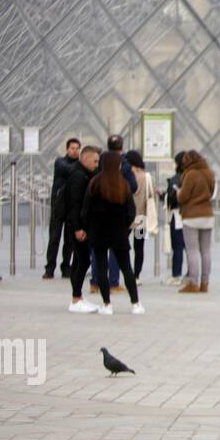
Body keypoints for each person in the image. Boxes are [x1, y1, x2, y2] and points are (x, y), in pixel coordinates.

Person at [81, 151, 141, 315]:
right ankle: (135, 303)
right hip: (118, 233)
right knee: (126, 267)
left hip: (98, 232)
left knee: (101, 268)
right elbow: (131, 211)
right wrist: (125, 227)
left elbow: (85, 210)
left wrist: (87, 228)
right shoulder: (123, 185)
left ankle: (107, 304)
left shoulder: (94, 183)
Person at [90, 134, 137, 293]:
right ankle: (114, 282)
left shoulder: (98, 162)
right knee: (117, 250)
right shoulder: (124, 165)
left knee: (98, 250)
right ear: (122, 147)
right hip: (118, 214)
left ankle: (95, 282)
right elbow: (134, 187)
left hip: (99, 215)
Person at [66, 145, 100, 313]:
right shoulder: (78, 176)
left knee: (80, 261)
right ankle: (75, 298)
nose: (97, 164)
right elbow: (75, 204)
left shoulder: (85, 173)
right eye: (95, 161)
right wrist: (78, 228)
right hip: (78, 227)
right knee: (83, 260)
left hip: (81, 225)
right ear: (85, 159)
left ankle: (77, 297)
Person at [176, 149, 215, 293]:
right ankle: (205, 283)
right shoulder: (209, 172)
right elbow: (211, 192)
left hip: (191, 216)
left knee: (192, 250)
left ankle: (193, 283)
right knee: (206, 250)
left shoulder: (190, 174)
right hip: (207, 214)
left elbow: (183, 197)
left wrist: (178, 192)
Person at [44, 138, 80, 279]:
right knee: (54, 239)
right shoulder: (60, 162)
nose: (75, 151)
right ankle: (49, 268)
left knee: (70, 240)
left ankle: (66, 267)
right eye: (72, 148)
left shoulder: (78, 165)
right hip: (58, 207)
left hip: (72, 207)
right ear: (67, 149)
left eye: (77, 148)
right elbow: (69, 170)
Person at [125, 150, 158, 282]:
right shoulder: (147, 177)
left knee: (122, 244)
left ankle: (124, 270)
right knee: (139, 247)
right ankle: (136, 275)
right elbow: (151, 195)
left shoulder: (126, 174)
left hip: (127, 217)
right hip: (141, 218)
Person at [164, 152, 187, 287]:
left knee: (177, 246)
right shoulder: (193, 177)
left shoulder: (175, 179)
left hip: (177, 216)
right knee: (190, 246)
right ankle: (192, 273)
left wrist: (164, 196)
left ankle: (176, 274)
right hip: (191, 215)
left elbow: (171, 199)